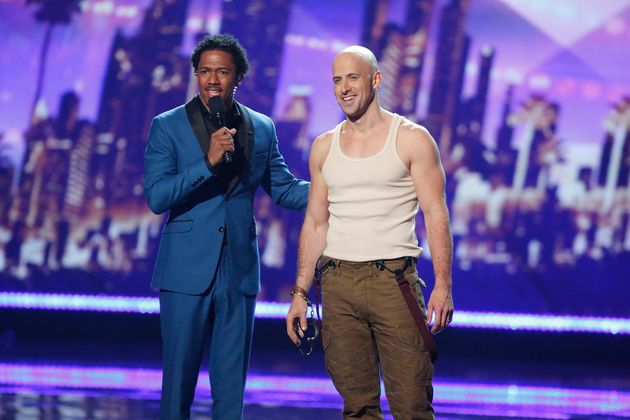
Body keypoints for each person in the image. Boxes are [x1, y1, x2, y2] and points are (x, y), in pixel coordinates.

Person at [144, 34, 309, 420]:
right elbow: (157, 197)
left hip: (238, 270)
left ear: (239, 78)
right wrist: (207, 162)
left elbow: (284, 189)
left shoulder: (262, 127)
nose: (212, 79)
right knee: (178, 386)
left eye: (222, 71)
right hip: (185, 270)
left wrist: (338, 190)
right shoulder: (167, 126)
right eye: (204, 71)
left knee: (231, 388)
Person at [286, 45, 454, 419]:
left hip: (392, 282)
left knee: (411, 405)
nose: (344, 88)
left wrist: (442, 284)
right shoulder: (323, 147)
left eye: (353, 78)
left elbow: (435, 213)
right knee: (357, 409)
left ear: (376, 80)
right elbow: (315, 222)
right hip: (338, 284)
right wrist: (300, 291)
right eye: (337, 80)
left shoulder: (412, 139)